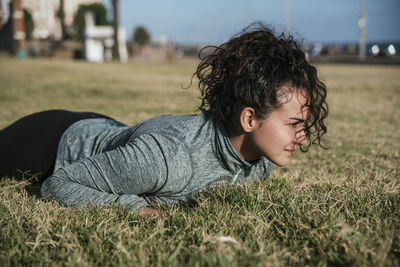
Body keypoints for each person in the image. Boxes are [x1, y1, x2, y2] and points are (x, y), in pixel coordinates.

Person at [0, 24, 328, 217]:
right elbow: (58, 185)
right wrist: (133, 207)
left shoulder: (260, 159)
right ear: (248, 118)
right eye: (294, 124)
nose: (302, 137)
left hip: (110, 132)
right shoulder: (168, 160)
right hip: (50, 142)